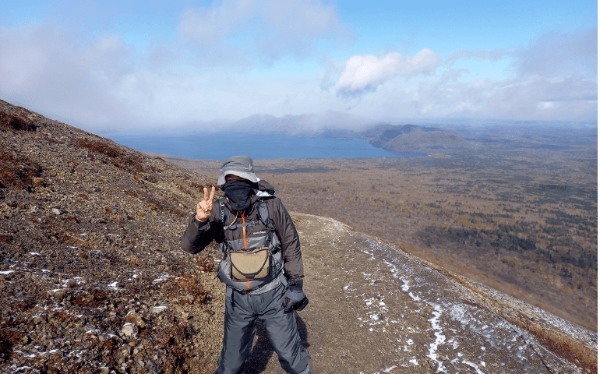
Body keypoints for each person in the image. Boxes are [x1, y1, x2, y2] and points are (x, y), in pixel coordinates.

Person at [181, 155, 310, 374]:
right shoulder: (217, 210)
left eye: (239, 177)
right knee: (230, 364)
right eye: (230, 179)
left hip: (275, 295)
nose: (235, 183)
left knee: (292, 357)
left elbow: (290, 243)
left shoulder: (271, 205)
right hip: (238, 299)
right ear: (223, 182)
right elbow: (190, 246)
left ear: (251, 179)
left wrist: (295, 285)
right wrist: (200, 220)